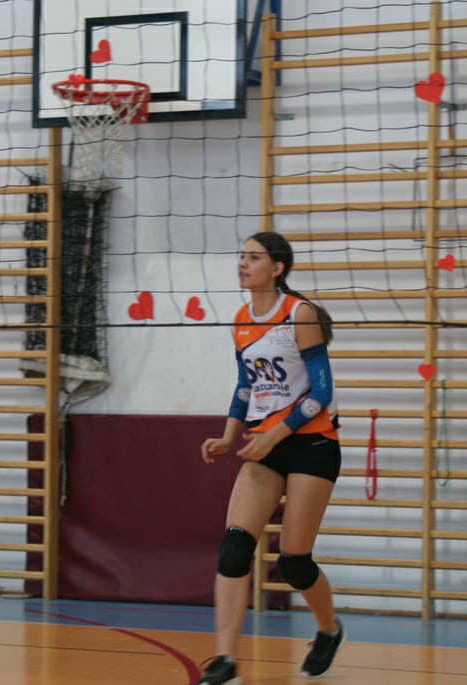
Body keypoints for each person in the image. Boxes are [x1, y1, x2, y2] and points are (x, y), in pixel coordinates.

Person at [197, 232, 344, 684]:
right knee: (234, 547)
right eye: (241, 256)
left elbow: (322, 392)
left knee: (294, 562)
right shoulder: (242, 319)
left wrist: (276, 433)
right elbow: (246, 385)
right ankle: (225, 659)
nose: (243, 263)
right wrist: (228, 436)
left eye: (254, 257)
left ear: (277, 268)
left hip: (312, 445)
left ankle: (329, 630)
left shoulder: (299, 314)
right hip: (265, 446)